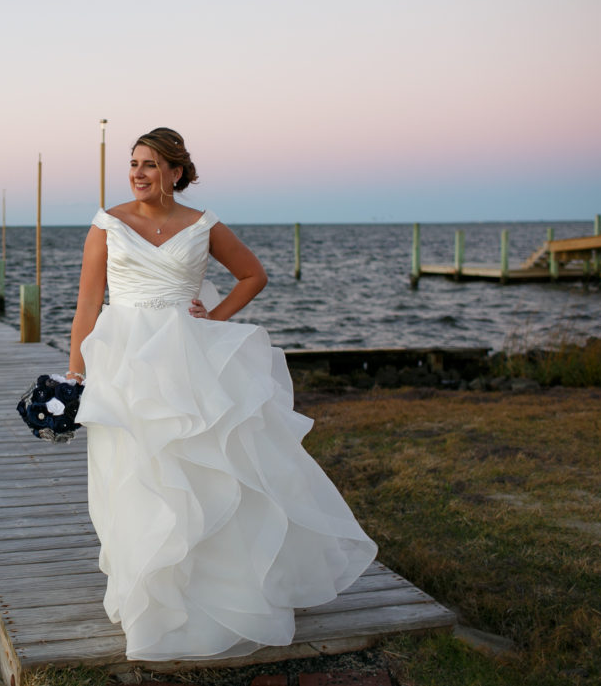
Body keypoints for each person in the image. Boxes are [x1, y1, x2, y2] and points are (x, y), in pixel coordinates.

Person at [68, 128, 377, 661]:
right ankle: (149, 592)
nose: (138, 173)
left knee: (205, 468)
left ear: (176, 172)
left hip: (191, 359)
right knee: (134, 471)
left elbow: (252, 275)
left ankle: (212, 588)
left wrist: (215, 316)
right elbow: (86, 307)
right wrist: (76, 376)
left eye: (150, 165)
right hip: (125, 364)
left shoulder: (202, 224)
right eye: (134, 163)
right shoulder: (108, 225)